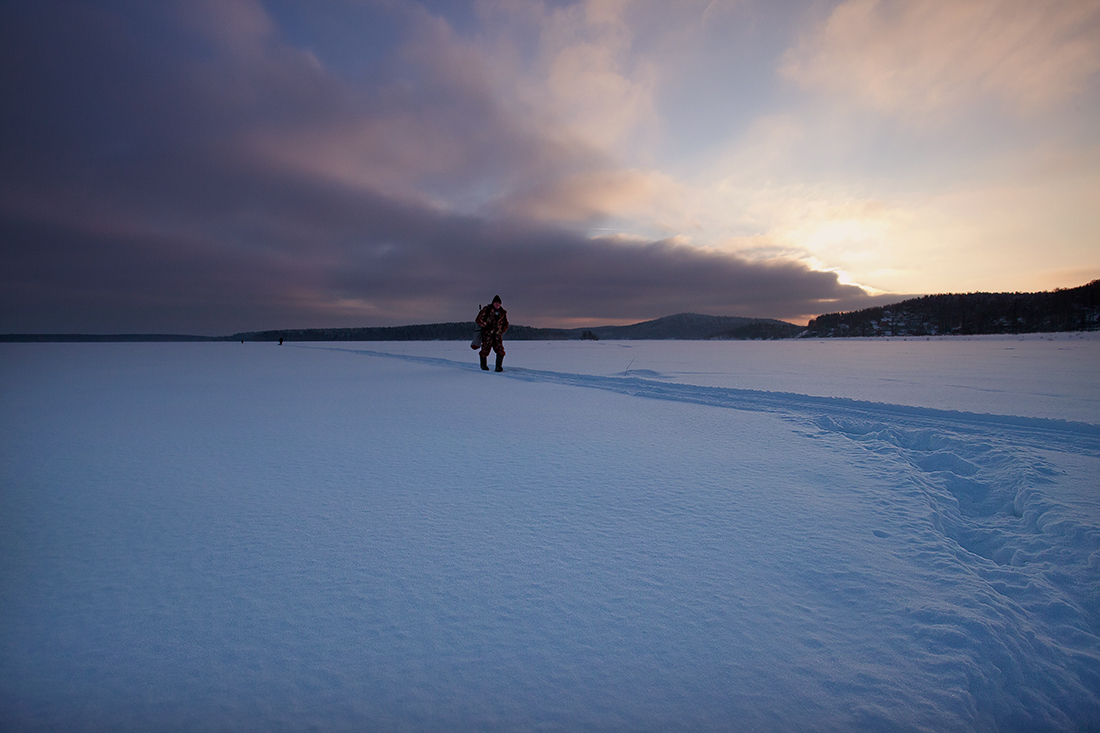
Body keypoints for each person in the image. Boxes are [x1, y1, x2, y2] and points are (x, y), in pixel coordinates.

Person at [475, 295, 509, 372]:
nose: (498, 305)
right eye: (496, 303)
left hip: (497, 335)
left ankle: (498, 367)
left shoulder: (502, 313)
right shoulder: (487, 310)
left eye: (499, 303)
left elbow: (506, 323)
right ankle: (483, 365)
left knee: (500, 350)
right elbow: (478, 320)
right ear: (493, 303)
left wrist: (501, 331)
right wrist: (486, 325)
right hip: (487, 334)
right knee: (485, 350)